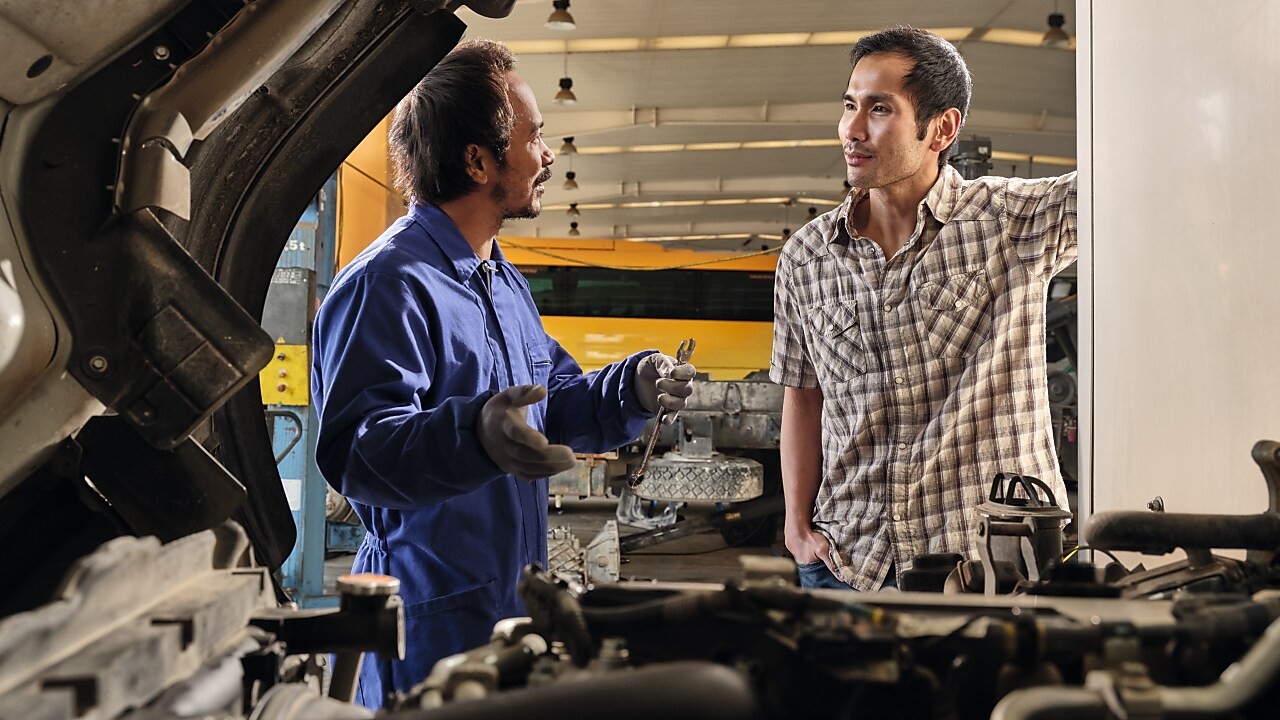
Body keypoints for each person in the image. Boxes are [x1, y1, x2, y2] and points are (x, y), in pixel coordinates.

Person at [310, 39, 695, 709]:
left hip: (505, 608)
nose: (548, 156)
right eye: (535, 137)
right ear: (478, 160)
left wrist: (632, 385)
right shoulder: (389, 283)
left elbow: (554, 403)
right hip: (425, 620)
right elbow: (360, 454)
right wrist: (473, 436)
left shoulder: (500, 282)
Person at [770, 26, 1076, 591]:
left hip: (992, 567)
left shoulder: (1009, 223)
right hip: (849, 563)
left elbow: (1125, 181)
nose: (852, 131)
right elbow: (802, 394)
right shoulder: (807, 256)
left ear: (942, 128)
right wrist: (796, 528)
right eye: (849, 106)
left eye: (879, 109)